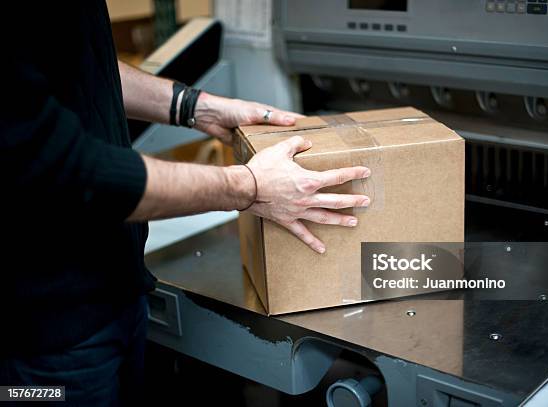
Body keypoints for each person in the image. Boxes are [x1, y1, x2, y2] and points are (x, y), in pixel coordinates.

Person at [0, 2, 370, 406]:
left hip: (113, 291)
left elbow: (77, 64)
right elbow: (75, 176)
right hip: (41, 337)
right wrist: (249, 185)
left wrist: (195, 106)